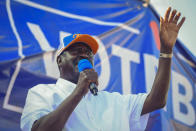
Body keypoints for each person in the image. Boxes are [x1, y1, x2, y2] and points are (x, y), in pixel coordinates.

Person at [21, 7, 185, 131]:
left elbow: (157, 101)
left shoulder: (115, 101)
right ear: (59, 61)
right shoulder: (42, 93)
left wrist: (166, 51)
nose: (84, 54)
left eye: (88, 52)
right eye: (76, 50)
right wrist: (79, 92)